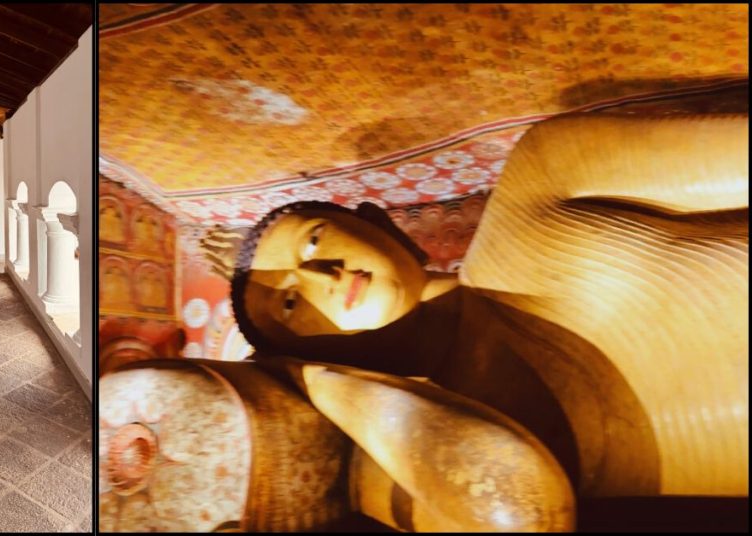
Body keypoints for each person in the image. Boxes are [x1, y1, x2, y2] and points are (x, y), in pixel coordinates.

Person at [99, 114, 748, 532]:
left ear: (378, 222)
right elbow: (522, 514)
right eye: (292, 306)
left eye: (316, 240)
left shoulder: (545, 174)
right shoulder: (436, 449)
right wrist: (321, 379)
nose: (325, 276)